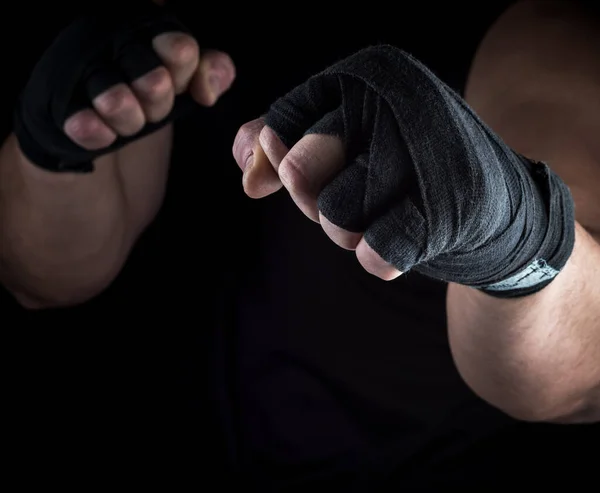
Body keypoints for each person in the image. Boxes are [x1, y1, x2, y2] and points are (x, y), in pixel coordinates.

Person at [1, 0, 597, 490]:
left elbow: (577, 365)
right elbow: (43, 281)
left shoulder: (553, 42)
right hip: (128, 430)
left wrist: (515, 233)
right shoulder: (160, 32)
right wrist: (52, 147)